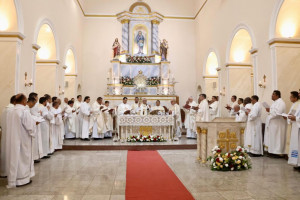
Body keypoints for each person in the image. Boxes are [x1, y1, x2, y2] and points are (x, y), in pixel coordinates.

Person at [6, 94, 36, 188]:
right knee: (22, 158)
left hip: (12, 139)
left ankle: (12, 180)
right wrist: (35, 126)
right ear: (23, 101)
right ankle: (22, 180)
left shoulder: (11, 111)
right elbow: (30, 127)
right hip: (23, 140)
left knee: (14, 158)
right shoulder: (24, 111)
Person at [264, 90, 287, 156]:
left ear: (277, 95)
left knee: (277, 138)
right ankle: (273, 152)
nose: (272, 95)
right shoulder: (275, 102)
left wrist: (270, 110)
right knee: (273, 138)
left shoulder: (281, 102)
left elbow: (278, 113)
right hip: (273, 124)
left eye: (273, 94)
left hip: (278, 124)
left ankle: (278, 153)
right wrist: (269, 110)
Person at [0, 95, 16, 177]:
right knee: (10, 153)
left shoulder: (5, 109)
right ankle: (8, 172)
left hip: (5, 134)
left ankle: (3, 171)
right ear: (14, 102)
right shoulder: (12, 110)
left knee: (4, 151)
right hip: (11, 135)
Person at [28, 93, 44, 163]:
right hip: (33, 124)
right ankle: (34, 157)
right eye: (37, 97)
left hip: (35, 123)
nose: (38, 98)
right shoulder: (33, 105)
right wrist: (39, 114)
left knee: (37, 141)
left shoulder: (35, 105)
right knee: (34, 141)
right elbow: (33, 114)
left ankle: (36, 156)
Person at [287, 102, 300, 169]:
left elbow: (298, 117)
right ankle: (298, 163)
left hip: (298, 126)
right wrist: (292, 116)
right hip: (296, 127)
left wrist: (296, 118)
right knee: (297, 146)